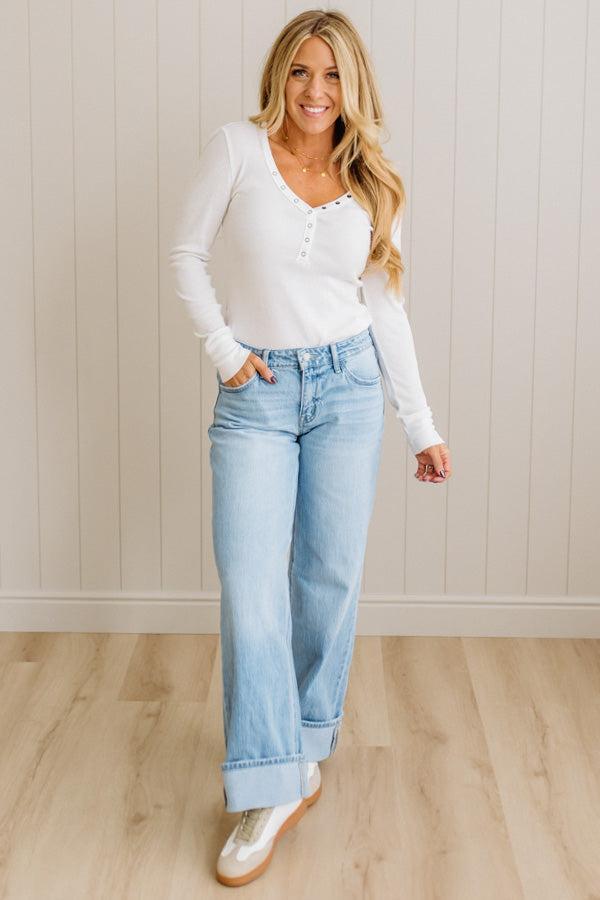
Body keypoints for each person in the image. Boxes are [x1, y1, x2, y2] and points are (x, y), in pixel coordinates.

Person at [169, 8, 452, 887]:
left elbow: (384, 311)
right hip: (254, 393)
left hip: (349, 390)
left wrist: (422, 425)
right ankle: (267, 785)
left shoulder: (375, 185)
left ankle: (302, 752)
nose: (315, 92)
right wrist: (224, 351)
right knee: (251, 584)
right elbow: (185, 253)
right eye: (300, 72)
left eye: (331, 76)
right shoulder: (236, 149)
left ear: (353, 86)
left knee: (326, 577)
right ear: (278, 76)